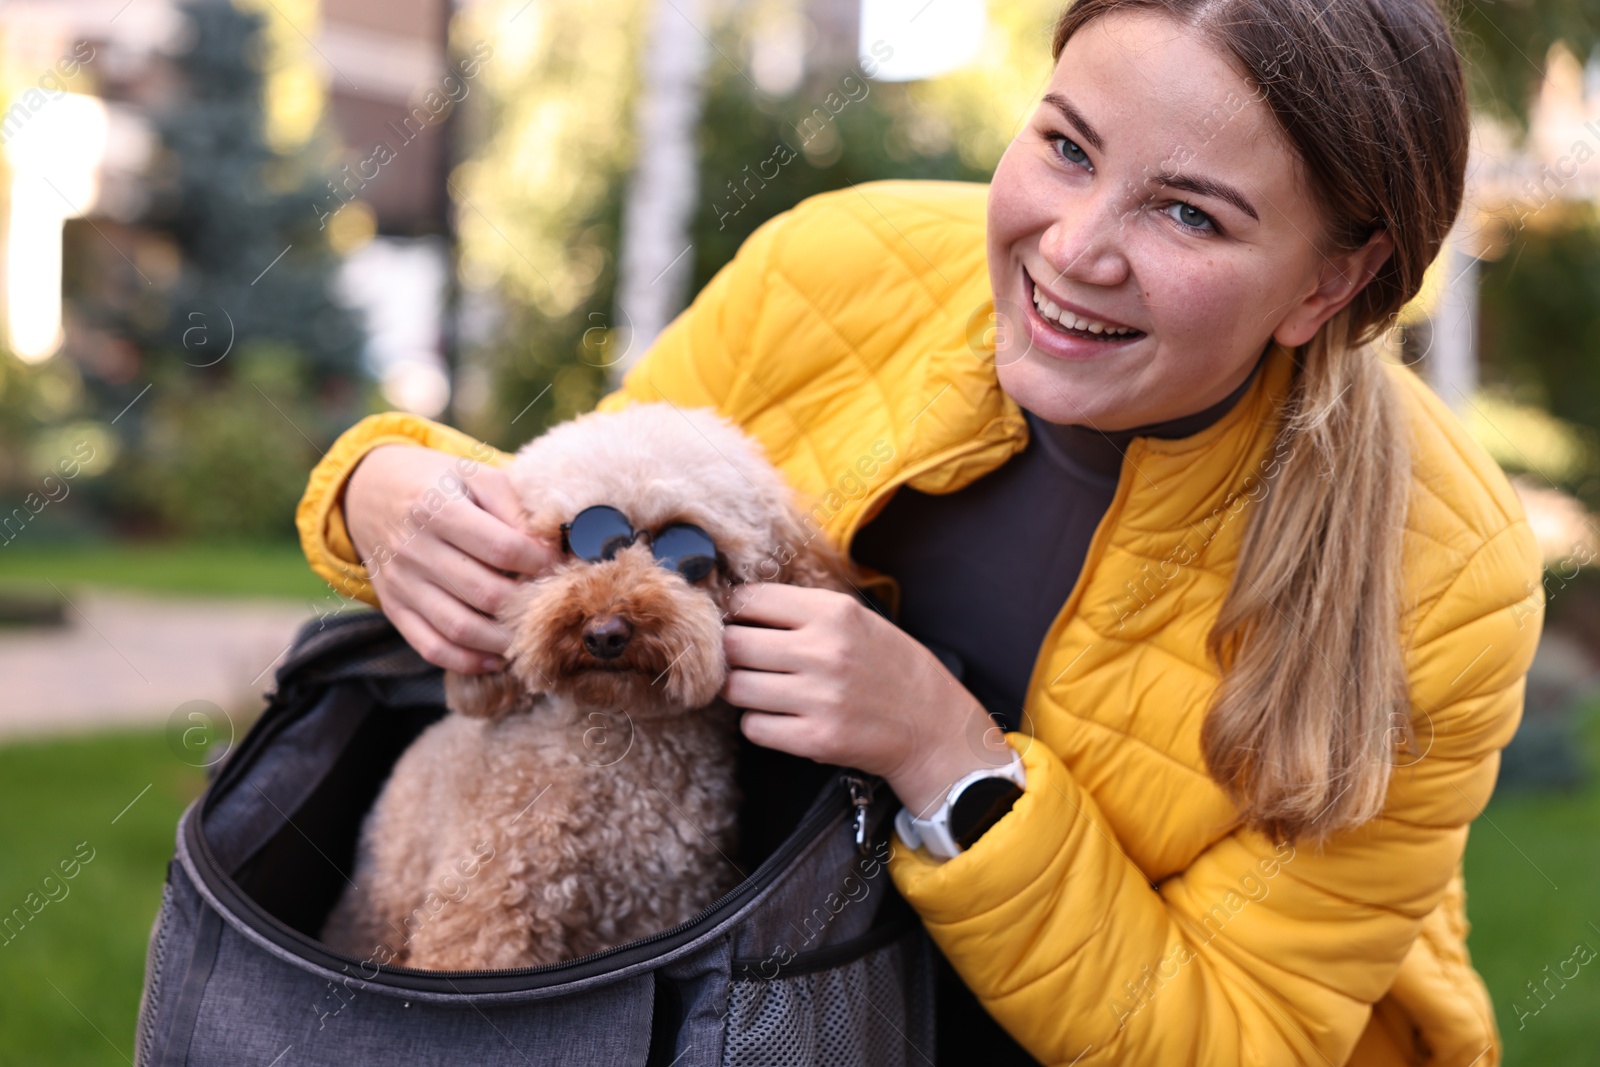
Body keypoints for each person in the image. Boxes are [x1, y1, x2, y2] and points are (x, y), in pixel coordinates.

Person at [296, 0, 1545, 1062]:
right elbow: (589, 509)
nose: (1074, 250)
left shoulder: (1443, 574)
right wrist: (378, 487)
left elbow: (1236, 1031)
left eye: (1189, 216)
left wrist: (951, 758)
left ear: (1330, 282)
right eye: (1065, 146)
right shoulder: (835, 269)